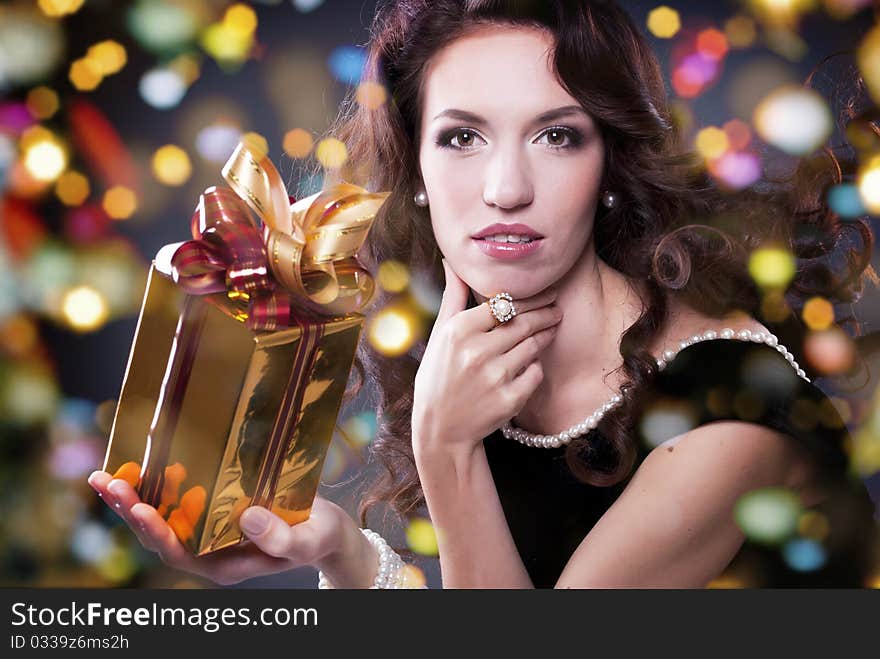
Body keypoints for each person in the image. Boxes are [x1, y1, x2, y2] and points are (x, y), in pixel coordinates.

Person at [88, 0, 879, 588]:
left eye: (557, 135)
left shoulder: (725, 414)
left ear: (610, 162)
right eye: (462, 137)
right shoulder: (481, 352)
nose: (505, 188)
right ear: (416, 167)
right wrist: (340, 548)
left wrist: (445, 449)